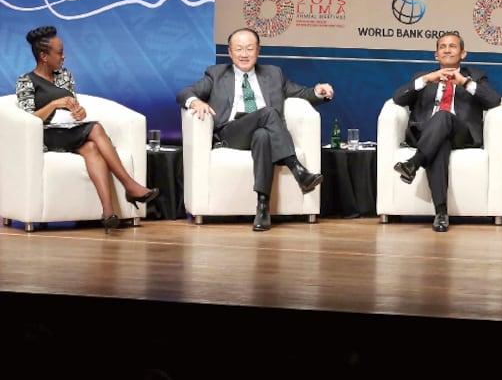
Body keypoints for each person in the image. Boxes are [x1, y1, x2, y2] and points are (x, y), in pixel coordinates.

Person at [176, 27, 333, 232]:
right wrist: (195, 101)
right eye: (239, 49)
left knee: (263, 136)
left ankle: (262, 208)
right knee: (268, 113)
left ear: (258, 51)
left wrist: (318, 92)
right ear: (230, 52)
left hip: (266, 132)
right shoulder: (216, 74)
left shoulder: (274, 73)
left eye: (249, 49)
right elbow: (185, 92)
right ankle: (297, 168)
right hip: (231, 133)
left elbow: (302, 93)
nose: (244, 54)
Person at [15, 26, 160, 233]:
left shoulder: (65, 75)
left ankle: (108, 213)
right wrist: (54, 104)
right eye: (59, 53)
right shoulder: (26, 81)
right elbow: (28, 119)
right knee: (96, 128)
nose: (64, 57)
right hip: (47, 135)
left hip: (70, 130)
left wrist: (79, 112)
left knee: (92, 148)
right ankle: (129, 185)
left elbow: (73, 106)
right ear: (43, 56)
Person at [391, 32, 502, 232]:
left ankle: (414, 162)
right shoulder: (423, 77)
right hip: (426, 134)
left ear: (463, 53)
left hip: (461, 133)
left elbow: (494, 100)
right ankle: (441, 213)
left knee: (443, 115)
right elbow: (398, 98)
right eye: (442, 47)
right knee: (440, 143)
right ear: (436, 54)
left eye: (452, 46)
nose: (447, 50)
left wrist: (464, 83)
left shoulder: (476, 76)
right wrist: (426, 79)